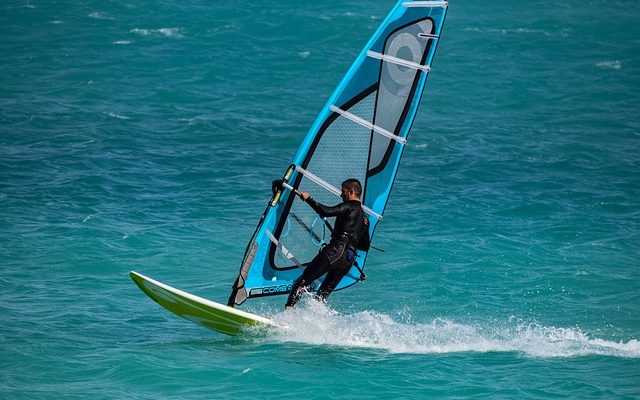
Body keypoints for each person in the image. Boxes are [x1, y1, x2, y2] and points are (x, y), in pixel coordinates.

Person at [285, 178, 370, 309]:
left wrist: (308, 199)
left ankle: (288, 312)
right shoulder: (365, 219)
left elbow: (326, 211)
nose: (341, 195)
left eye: (343, 192)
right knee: (322, 294)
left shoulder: (349, 207)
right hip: (348, 259)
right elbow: (365, 245)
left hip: (335, 251)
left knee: (302, 281)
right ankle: (318, 321)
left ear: (351, 192)